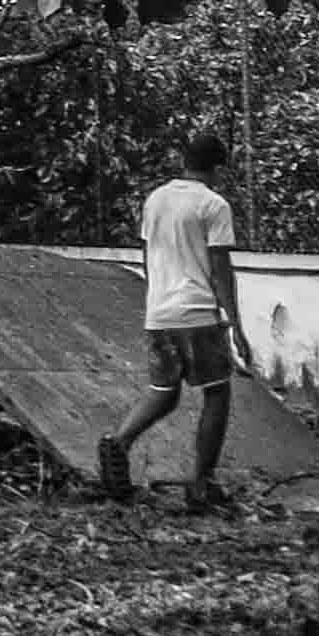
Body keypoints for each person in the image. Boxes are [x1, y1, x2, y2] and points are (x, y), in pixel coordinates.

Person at [97, 131, 257, 509]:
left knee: (164, 392)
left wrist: (157, 303)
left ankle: (119, 441)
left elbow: (148, 257)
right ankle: (201, 484)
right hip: (197, 313)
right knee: (217, 394)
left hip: (160, 312)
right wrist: (235, 326)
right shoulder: (213, 205)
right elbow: (220, 270)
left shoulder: (156, 200)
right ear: (217, 168)